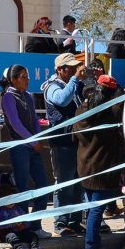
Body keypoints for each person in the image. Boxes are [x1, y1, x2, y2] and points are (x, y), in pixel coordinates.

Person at [73, 76, 125, 249]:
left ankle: (94, 243)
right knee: (97, 209)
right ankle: (91, 247)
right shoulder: (109, 113)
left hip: (85, 166)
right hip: (101, 169)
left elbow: (74, 136)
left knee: (92, 208)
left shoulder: (82, 109)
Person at [0, 64, 52, 238]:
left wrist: (37, 139)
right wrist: (32, 142)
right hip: (20, 147)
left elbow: (35, 121)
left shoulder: (28, 96)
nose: (27, 80)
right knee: (23, 187)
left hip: (33, 146)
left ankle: (36, 225)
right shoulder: (8, 97)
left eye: (27, 76)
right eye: (23, 77)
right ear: (13, 80)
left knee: (43, 185)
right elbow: (16, 124)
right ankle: (23, 227)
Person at [41, 52, 87, 237]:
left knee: (77, 184)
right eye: (71, 68)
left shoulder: (73, 85)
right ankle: (61, 223)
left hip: (75, 142)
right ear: (60, 69)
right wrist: (75, 80)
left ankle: (75, 221)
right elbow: (61, 99)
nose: (75, 70)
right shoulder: (52, 87)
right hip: (61, 143)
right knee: (64, 184)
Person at [0, 174, 50, 249]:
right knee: (12, 236)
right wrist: (12, 224)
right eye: (8, 200)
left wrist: (24, 225)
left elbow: (25, 218)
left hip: (20, 230)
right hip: (6, 232)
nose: (11, 202)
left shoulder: (18, 208)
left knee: (32, 235)